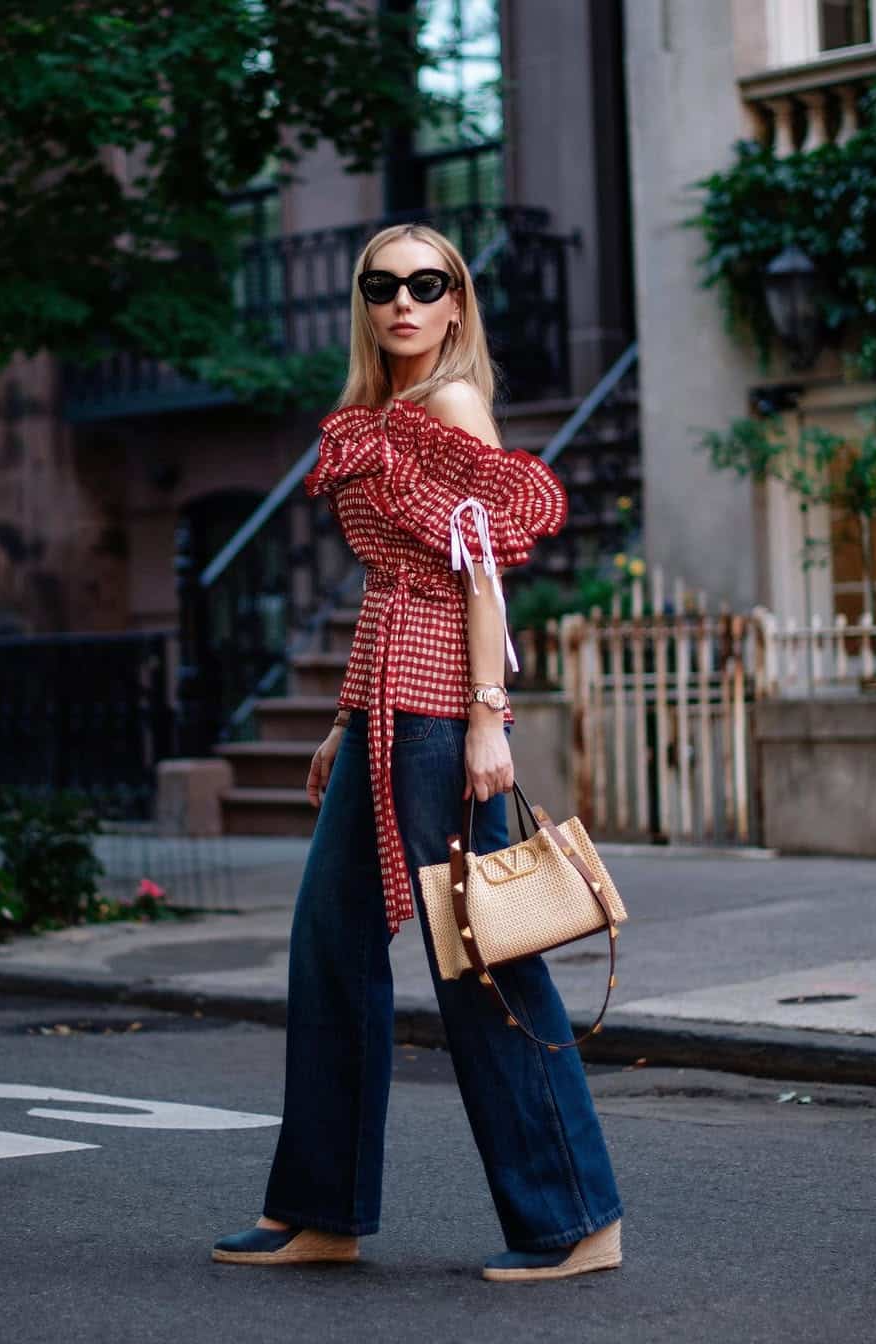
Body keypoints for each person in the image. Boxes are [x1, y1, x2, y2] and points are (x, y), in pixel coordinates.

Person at [212, 223, 623, 1281]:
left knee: (482, 955)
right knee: (329, 944)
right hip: (385, 710)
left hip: (443, 716)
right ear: (364, 300)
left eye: (426, 283)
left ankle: (573, 1217)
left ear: (456, 302)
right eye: (383, 283)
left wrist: (490, 716)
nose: (404, 299)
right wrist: (344, 723)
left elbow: (478, 572)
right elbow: (387, 587)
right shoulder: (374, 413)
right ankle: (321, 1209)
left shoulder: (451, 404)